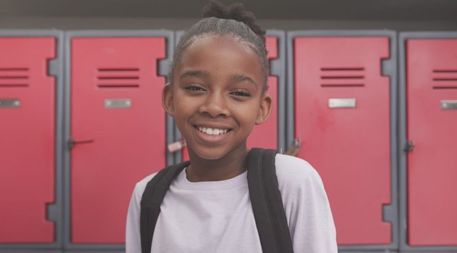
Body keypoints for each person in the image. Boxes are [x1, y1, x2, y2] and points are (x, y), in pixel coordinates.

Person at [126, 1, 337, 252]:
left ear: (262, 108)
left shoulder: (291, 183)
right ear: (170, 99)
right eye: (195, 88)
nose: (214, 107)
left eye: (238, 93)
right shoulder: (148, 195)